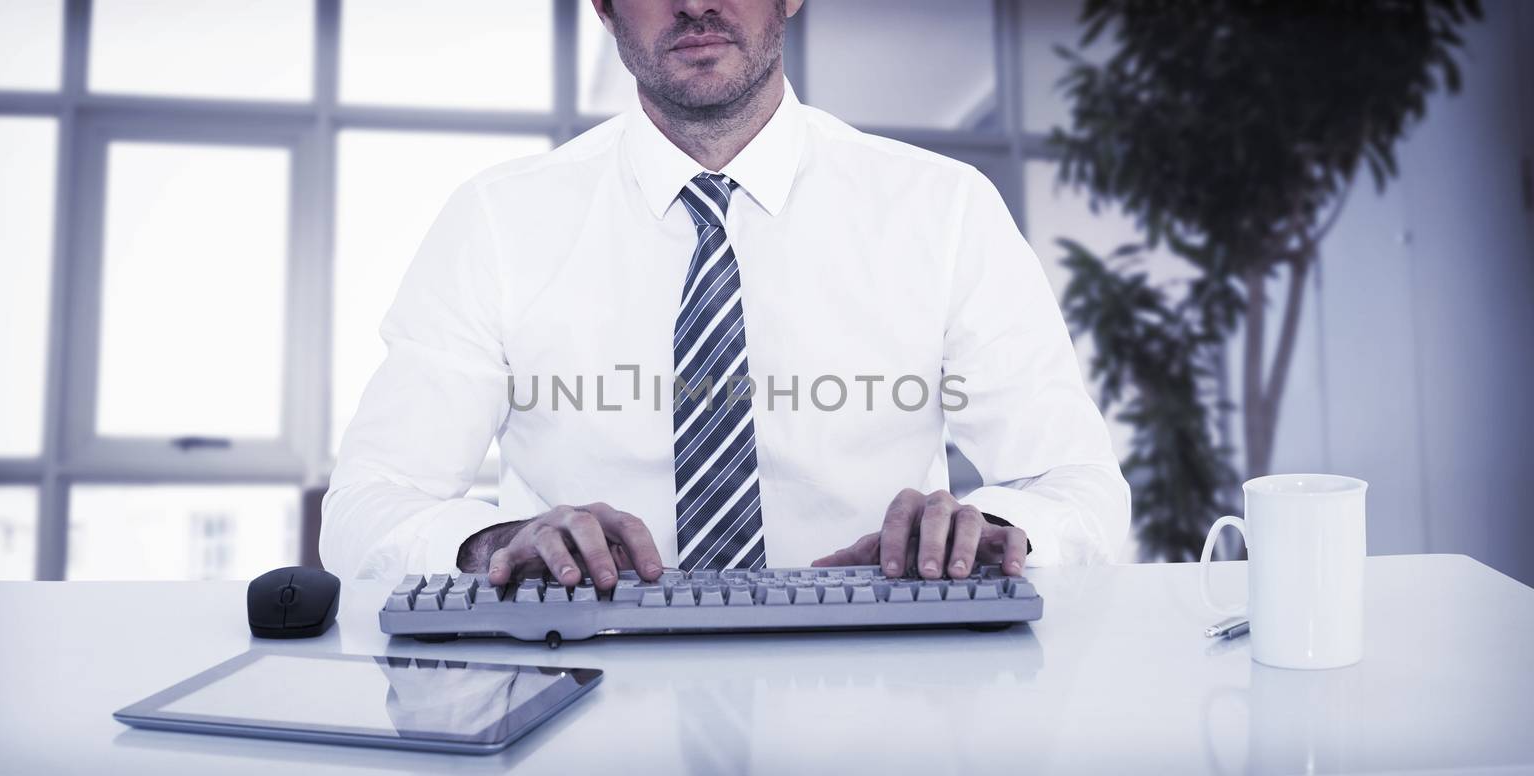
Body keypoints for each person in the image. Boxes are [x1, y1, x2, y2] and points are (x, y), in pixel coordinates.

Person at [321, 0, 1130, 591]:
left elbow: (1078, 486)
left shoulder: (945, 209)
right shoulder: (496, 221)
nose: (696, 4)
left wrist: (997, 530)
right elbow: (367, 505)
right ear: (602, 6)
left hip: (886, 685)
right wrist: (493, 541)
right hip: (577, 681)